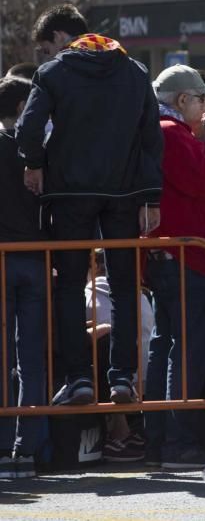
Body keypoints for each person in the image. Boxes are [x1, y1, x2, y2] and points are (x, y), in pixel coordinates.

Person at [16, 3, 163, 406]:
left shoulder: (53, 73)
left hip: (69, 193)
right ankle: (123, 377)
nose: (46, 56)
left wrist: (34, 163)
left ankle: (79, 377)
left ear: (61, 38)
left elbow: (28, 130)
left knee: (70, 284)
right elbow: (152, 139)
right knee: (123, 285)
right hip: (124, 194)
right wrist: (151, 197)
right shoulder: (135, 72)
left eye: (47, 47)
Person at [145, 65, 205, 469]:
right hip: (187, 259)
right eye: (202, 98)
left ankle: (165, 439)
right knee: (187, 351)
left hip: (181, 257)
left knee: (170, 346)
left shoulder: (169, 132)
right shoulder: (171, 132)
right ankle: (176, 443)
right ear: (183, 100)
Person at [0, 77, 46, 479]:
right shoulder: (35, 151)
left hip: (3, 258)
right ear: (21, 109)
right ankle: (26, 449)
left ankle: (3, 448)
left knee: (4, 357)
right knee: (31, 357)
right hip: (35, 255)